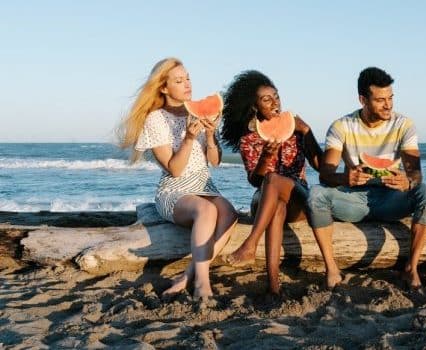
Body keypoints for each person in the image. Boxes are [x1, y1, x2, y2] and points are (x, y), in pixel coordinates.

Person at [307, 67, 426, 289]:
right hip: (353, 201)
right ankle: (332, 269)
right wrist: (345, 178)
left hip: (391, 200)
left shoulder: (403, 125)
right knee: (316, 194)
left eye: (390, 98)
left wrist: (408, 181)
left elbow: (415, 172)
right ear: (363, 100)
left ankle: (411, 267)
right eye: (380, 100)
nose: (388, 105)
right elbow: (325, 174)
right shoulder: (341, 126)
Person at [118, 57, 237, 299]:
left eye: (188, 78)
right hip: (174, 190)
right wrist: (189, 138)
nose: (187, 84)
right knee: (207, 211)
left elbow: (214, 161)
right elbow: (174, 170)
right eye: (179, 80)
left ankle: (188, 274)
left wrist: (211, 135)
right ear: (163, 87)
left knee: (230, 213)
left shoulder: (198, 112)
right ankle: (202, 283)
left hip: (204, 184)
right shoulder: (155, 119)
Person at [219, 70, 322, 295]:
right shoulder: (249, 139)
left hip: (299, 197)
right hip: (265, 200)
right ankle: (274, 286)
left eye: (276, 96)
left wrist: (307, 131)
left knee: (274, 181)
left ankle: (250, 244)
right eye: (267, 99)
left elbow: (321, 165)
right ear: (255, 107)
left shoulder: (296, 130)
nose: (275, 102)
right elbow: (254, 181)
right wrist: (265, 158)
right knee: (276, 203)